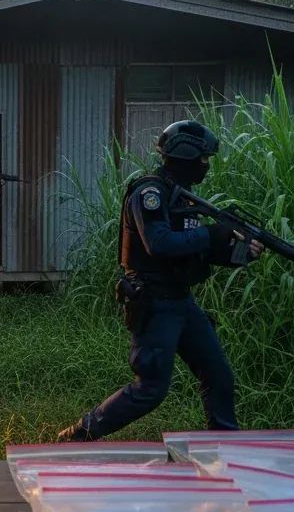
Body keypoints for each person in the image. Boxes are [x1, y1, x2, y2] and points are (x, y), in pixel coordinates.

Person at [56, 119, 263, 441]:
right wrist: (211, 234)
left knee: (218, 375)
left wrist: (238, 253)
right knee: (150, 388)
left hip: (182, 300)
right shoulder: (149, 193)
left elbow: (193, 250)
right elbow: (160, 244)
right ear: (184, 157)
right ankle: (79, 434)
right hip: (154, 301)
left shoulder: (183, 197)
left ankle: (227, 446)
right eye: (203, 159)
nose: (206, 166)